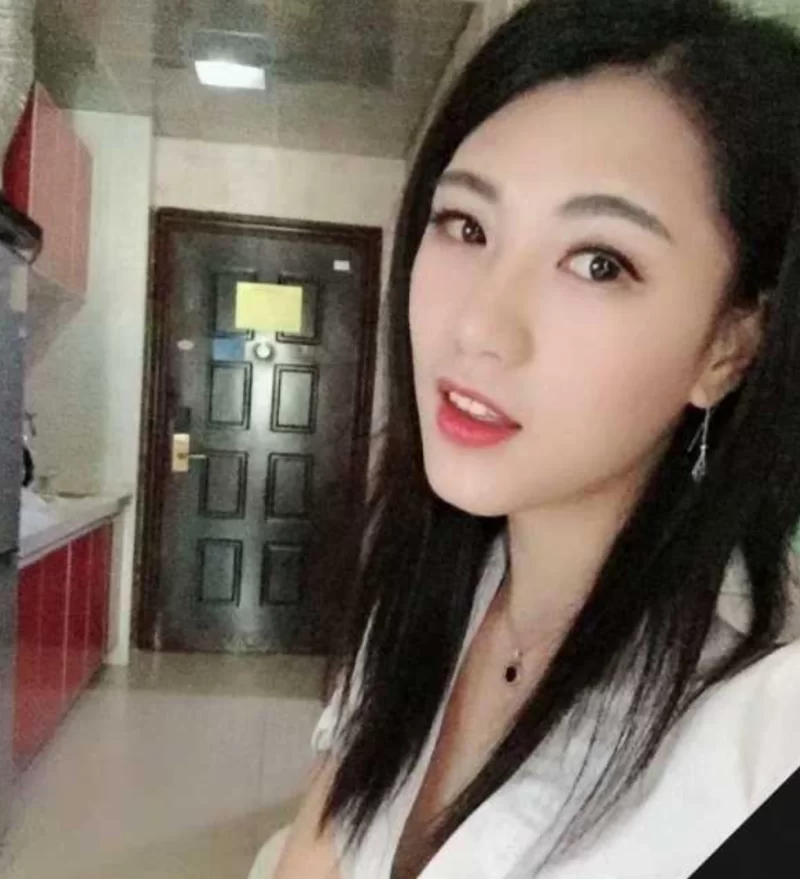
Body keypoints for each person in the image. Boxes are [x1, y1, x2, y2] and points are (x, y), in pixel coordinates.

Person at [251, 0, 800, 876]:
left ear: (728, 349)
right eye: (466, 226)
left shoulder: (762, 739)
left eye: (599, 262)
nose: (480, 325)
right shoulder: (424, 582)